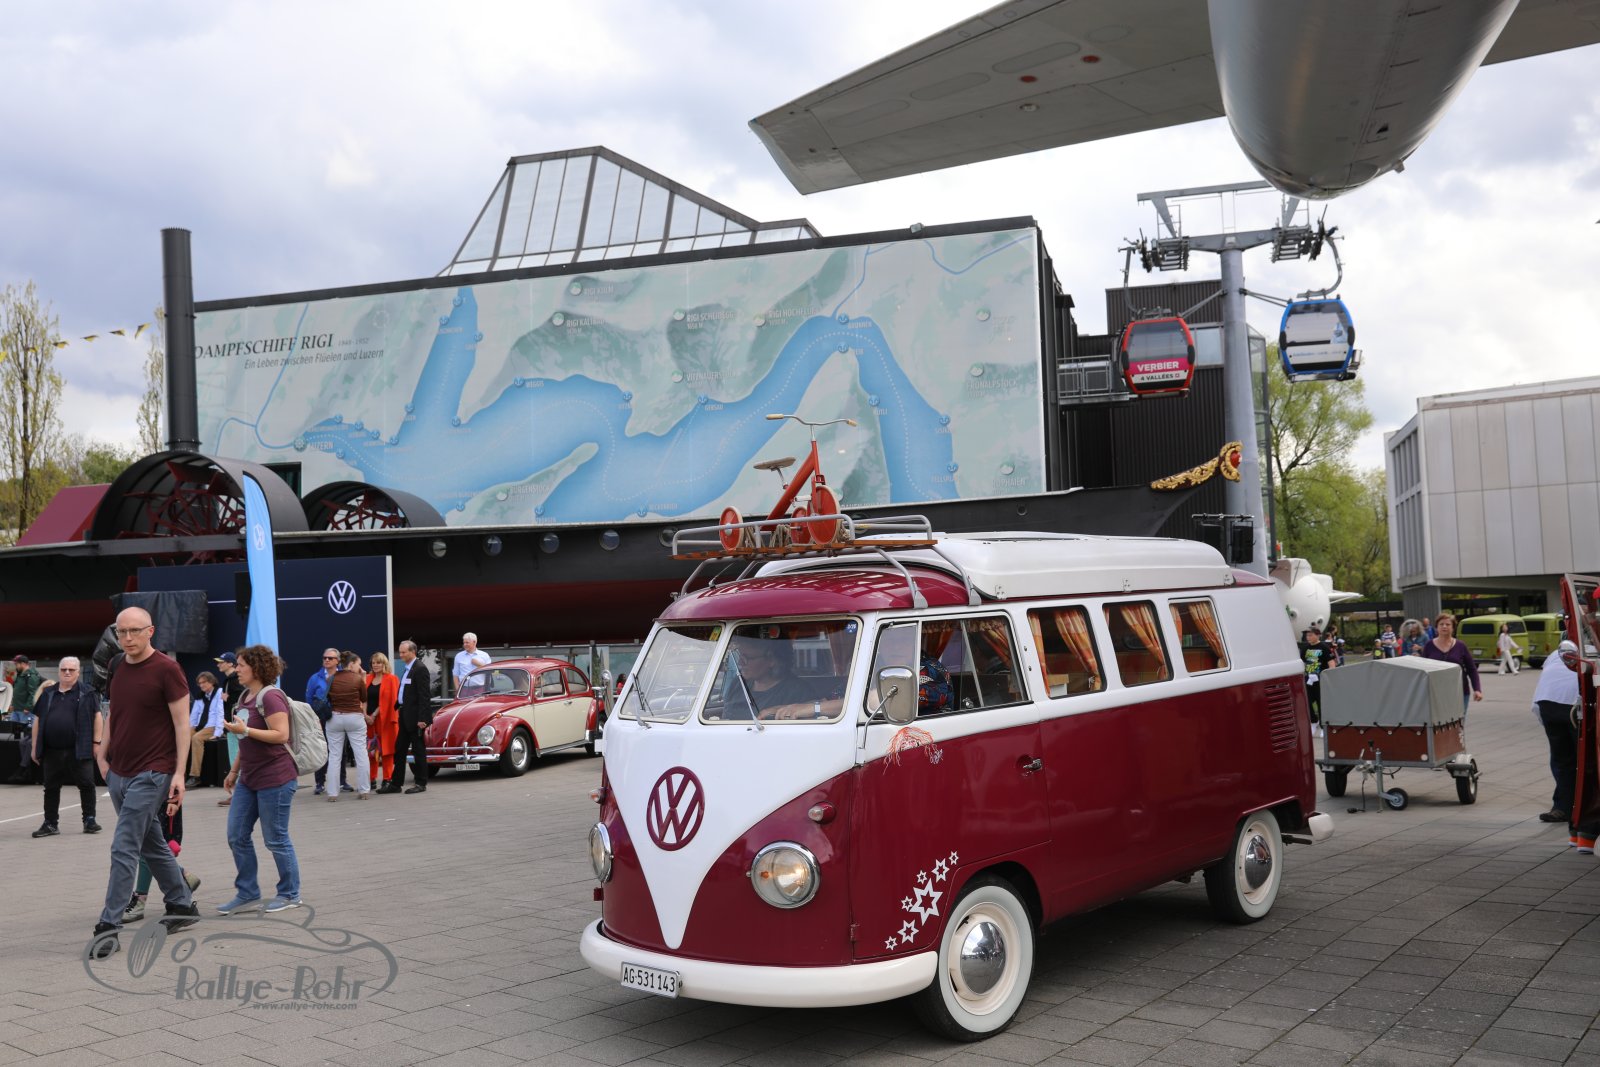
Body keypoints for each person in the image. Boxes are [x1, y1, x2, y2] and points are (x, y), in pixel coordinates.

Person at [90, 607, 200, 960]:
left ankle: (108, 927)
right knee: (151, 843)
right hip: (118, 772)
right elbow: (114, 713)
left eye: (134, 631)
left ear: (150, 631)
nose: (127, 638)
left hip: (153, 772)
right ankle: (181, 904)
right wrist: (102, 754)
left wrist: (179, 774)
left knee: (124, 846)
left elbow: (182, 726)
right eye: (121, 632)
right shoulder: (116, 665)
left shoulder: (168, 670)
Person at [218, 643, 301, 914]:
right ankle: (248, 894)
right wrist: (234, 771)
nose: (237, 669)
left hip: (276, 778)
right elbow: (245, 739)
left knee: (276, 838)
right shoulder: (245, 697)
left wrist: (246, 730)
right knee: (236, 835)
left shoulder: (271, 696)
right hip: (249, 778)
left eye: (241, 665)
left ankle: (290, 894)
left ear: (256, 668)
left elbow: (281, 735)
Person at [28, 656, 102, 837]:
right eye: (63, 669)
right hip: (51, 750)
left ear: (77, 671)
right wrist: (34, 746)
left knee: (87, 784)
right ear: (59, 671)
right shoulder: (48, 693)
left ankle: (89, 820)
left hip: (80, 748)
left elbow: (98, 717)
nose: (67, 672)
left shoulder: (87, 692)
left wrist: (97, 742)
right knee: (51, 787)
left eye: (71, 669)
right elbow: (37, 719)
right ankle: (50, 823)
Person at [1532, 639, 1580, 825]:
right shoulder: (1587, 650)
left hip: (1548, 703)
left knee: (1563, 760)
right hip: (1569, 706)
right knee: (1579, 760)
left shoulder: (1555, 654)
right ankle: (1571, 807)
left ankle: (1563, 808)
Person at [383, 640, 433, 794]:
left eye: (404, 652)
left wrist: (423, 719)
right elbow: (405, 690)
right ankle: (396, 784)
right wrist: (398, 704)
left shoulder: (420, 669)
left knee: (418, 750)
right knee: (400, 749)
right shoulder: (408, 669)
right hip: (405, 715)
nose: (401, 655)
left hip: (416, 718)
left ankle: (421, 783)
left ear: (413, 652)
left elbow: (424, 696)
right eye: (400, 652)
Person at [324, 651, 371, 801]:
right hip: (354, 717)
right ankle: (364, 790)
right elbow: (364, 698)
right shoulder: (358, 679)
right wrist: (363, 678)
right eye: (358, 664)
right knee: (361, 754)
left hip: (335, 718)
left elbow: (328, 698)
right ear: (351, 664)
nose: (360, 667)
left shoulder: (330, 678)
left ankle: (332, 793)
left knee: (334, 756)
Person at [306, 647, 350, 796]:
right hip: (322, 718)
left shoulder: (344, 676)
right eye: (324, 657)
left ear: (337, 661)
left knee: (341, 750)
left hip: (340, 716)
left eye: (330, 658)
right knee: (321, 750)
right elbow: (309, 699)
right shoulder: (315, 678)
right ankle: (319, 783)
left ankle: (342, 781)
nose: (326, 660)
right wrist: (314, 718)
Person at [1420, 613, 1484, 715]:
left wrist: (1477, 689)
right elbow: (1422, 671)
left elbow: (1472, 669)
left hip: (1460, 692)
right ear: (1436, 627)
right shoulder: (1429, 646)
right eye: (1441, 624)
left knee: (1458, 722)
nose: (1444, 626)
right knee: (1439, 722)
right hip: (1436, 693)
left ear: (1453, 628)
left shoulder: (1461, 646)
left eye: (1448, 624)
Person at [6, 653, 44, 784]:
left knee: (27, 738)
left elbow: (33, 693)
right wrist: (13, 704)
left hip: (25, 712)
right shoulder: (20, 675)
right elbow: (18, 691)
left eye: (16, 664)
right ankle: (24, 769)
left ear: (23, 664)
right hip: (17, 710)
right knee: (19, 738)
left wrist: (28, 707)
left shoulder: (30, 675)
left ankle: (25, 770)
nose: (15, 666)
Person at [184, 671, 226, 789]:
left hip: (213, 726)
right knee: (183, 737)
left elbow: (220, 713)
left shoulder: (219, 692)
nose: (201, 685)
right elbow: (194, 715)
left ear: (211, 682)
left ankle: (195, 776)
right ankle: (180, 773)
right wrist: (189, 729)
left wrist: (218, 732)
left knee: (196, 738)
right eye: (199, 683)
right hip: (200, 726)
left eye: (204, 682)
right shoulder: (200, 696)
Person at [365, 651, 400, 791]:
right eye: (373, 663)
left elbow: (389, 701)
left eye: (378, 662)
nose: (375, 665)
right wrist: (365, 715)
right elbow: (362, 699)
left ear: (384, 664)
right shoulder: (367, 678)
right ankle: (371, 779)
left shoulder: (392, 679)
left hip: (385, 720)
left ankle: (387, 779)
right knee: (370, 750)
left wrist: (373, 715)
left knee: (387, 750)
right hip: (368, 720)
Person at [214, 652, 244, 806]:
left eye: (222, 662)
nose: (218, 664)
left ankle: (238, 795)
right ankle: (240, 794)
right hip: (234, 725)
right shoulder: (230, 680)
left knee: (235, 759)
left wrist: (228, 698)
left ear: (231, 663)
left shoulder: (234, 680)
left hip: (235, 725)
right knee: (236, 759)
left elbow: (240, 699)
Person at [1298, 627, 1329, 725]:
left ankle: (1323, 723)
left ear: (1318, 635)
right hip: (1308, 679)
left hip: (1320, 679)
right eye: (1307, 635)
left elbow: (1331, 662)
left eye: (1311, 635)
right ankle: (1313, 720)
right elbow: (1302, 662)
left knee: (1320, 701)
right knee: (1307, 700)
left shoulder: (1324, 647)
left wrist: (1330, 677)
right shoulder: (1305, 648)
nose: (1308, 637)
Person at [453, 632, 491, 696]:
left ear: (474, 642)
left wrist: (479, 664)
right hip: (463, 689)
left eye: (467, 642)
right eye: (464, 643)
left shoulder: (484, 655)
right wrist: (457, 689)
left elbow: (490, 671)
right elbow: (455, 674)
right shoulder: (459, 656)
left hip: (480, 689)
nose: (464, 645)